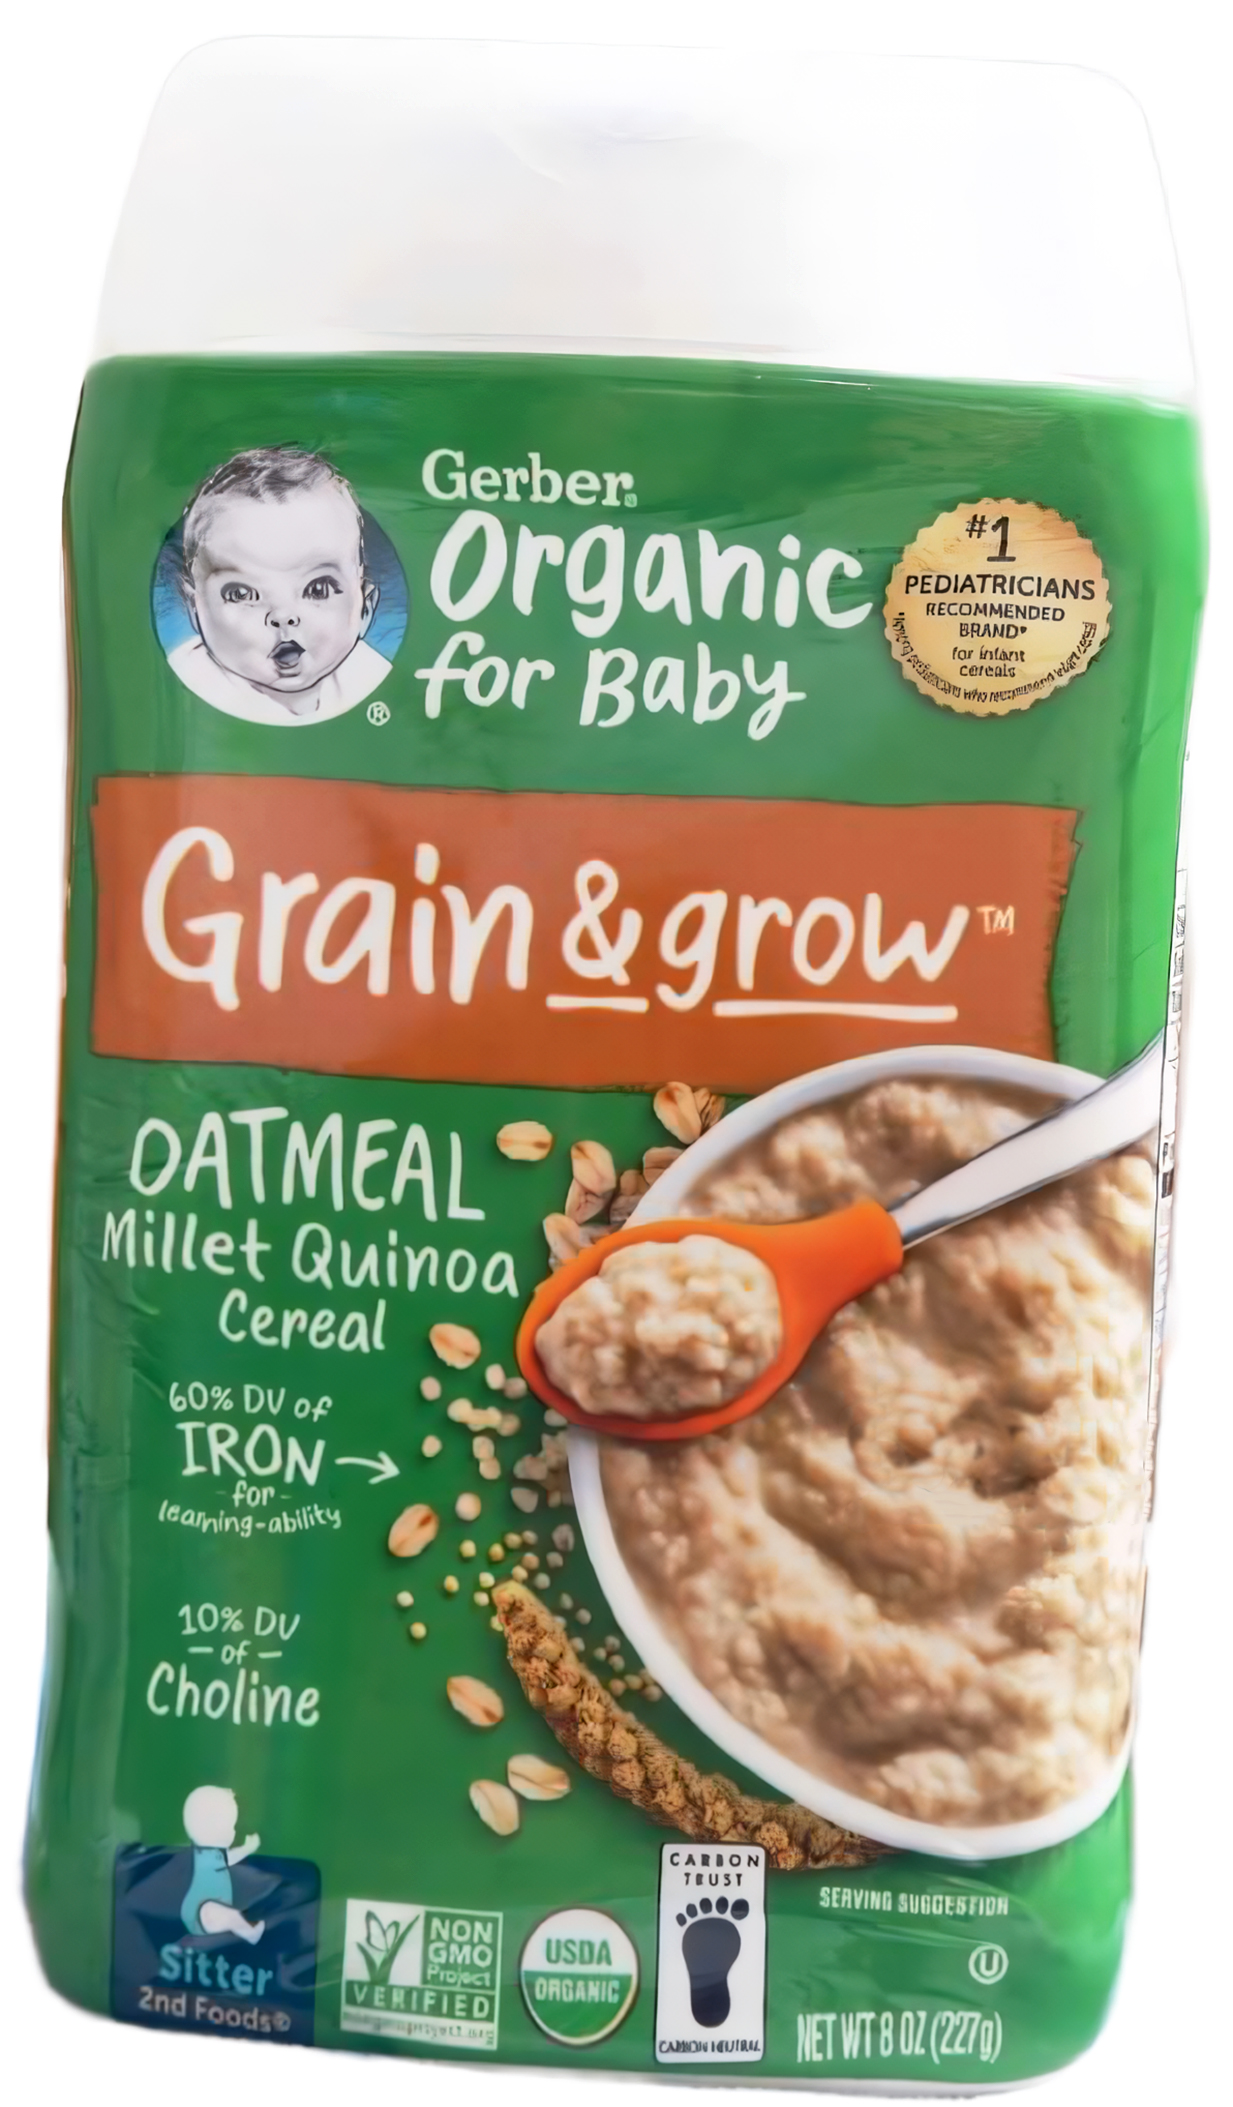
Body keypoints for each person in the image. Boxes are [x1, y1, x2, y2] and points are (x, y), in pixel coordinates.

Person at [168, 446, 391, 723]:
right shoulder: (191, 687)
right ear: (195, 608)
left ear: (364, 607)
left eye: (317, 589)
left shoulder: (369, 674)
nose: (283, 616)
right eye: (241, 593)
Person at [179, 1784, 265, 1943]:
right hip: (203, 1909)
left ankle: (247, 1931)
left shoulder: (208, 1853)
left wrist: (247, 1849)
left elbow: (227, 1859)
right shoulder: (206, 1854)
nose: (233, 1832)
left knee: (230, 1916)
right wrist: (247, 1849)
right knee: (226, 1916)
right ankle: (250, 1933)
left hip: (205, 1909)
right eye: (230, 1826)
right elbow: (229, 1859)